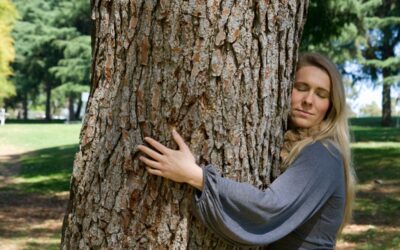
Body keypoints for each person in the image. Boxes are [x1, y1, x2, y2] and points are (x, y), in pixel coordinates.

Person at [137, 52, 356, 249]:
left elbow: (269, 207)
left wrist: (195, 176)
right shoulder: (308, 147)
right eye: (301, 88)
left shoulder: (322, 154)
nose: (308, 100)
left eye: (321, 94)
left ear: (331, 106)